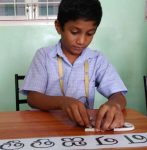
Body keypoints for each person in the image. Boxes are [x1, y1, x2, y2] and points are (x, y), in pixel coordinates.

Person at [20, 0, 127, 131]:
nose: (81, 41)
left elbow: (118, 95)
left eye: (90, 33)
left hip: (82, 128)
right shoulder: (44, 56)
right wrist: (62, 102)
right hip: (48, 126)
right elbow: (33, 98)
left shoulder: (97, 59)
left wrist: (114, 104)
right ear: (58, 27)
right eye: (75, 32)